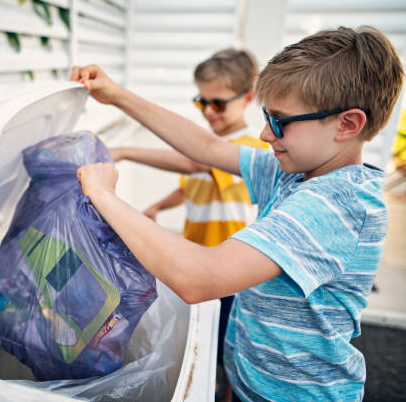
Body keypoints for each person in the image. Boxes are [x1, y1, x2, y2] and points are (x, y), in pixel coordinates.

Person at [71, 25, 404, 401]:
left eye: (279, 121)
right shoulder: (294, 172)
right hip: (255, 383)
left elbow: (198, 277)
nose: (264, 133)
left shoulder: (336, 205)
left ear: (347, 124)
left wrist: (102, 194)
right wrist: (116, 95)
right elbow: (205, 147)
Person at [109, 48, 267, 401]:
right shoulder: (212, 147)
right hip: (199, 259)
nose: (209, 112)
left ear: (248, 98)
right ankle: (207, 386)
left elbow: (191, 165)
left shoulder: (246, 148)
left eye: (219, 103)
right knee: (202, 338)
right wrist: (158, 206)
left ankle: (223, 391)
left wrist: (123, 151)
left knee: (225, 346)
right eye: (202, 102)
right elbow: (189, 187)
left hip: (229, 272)